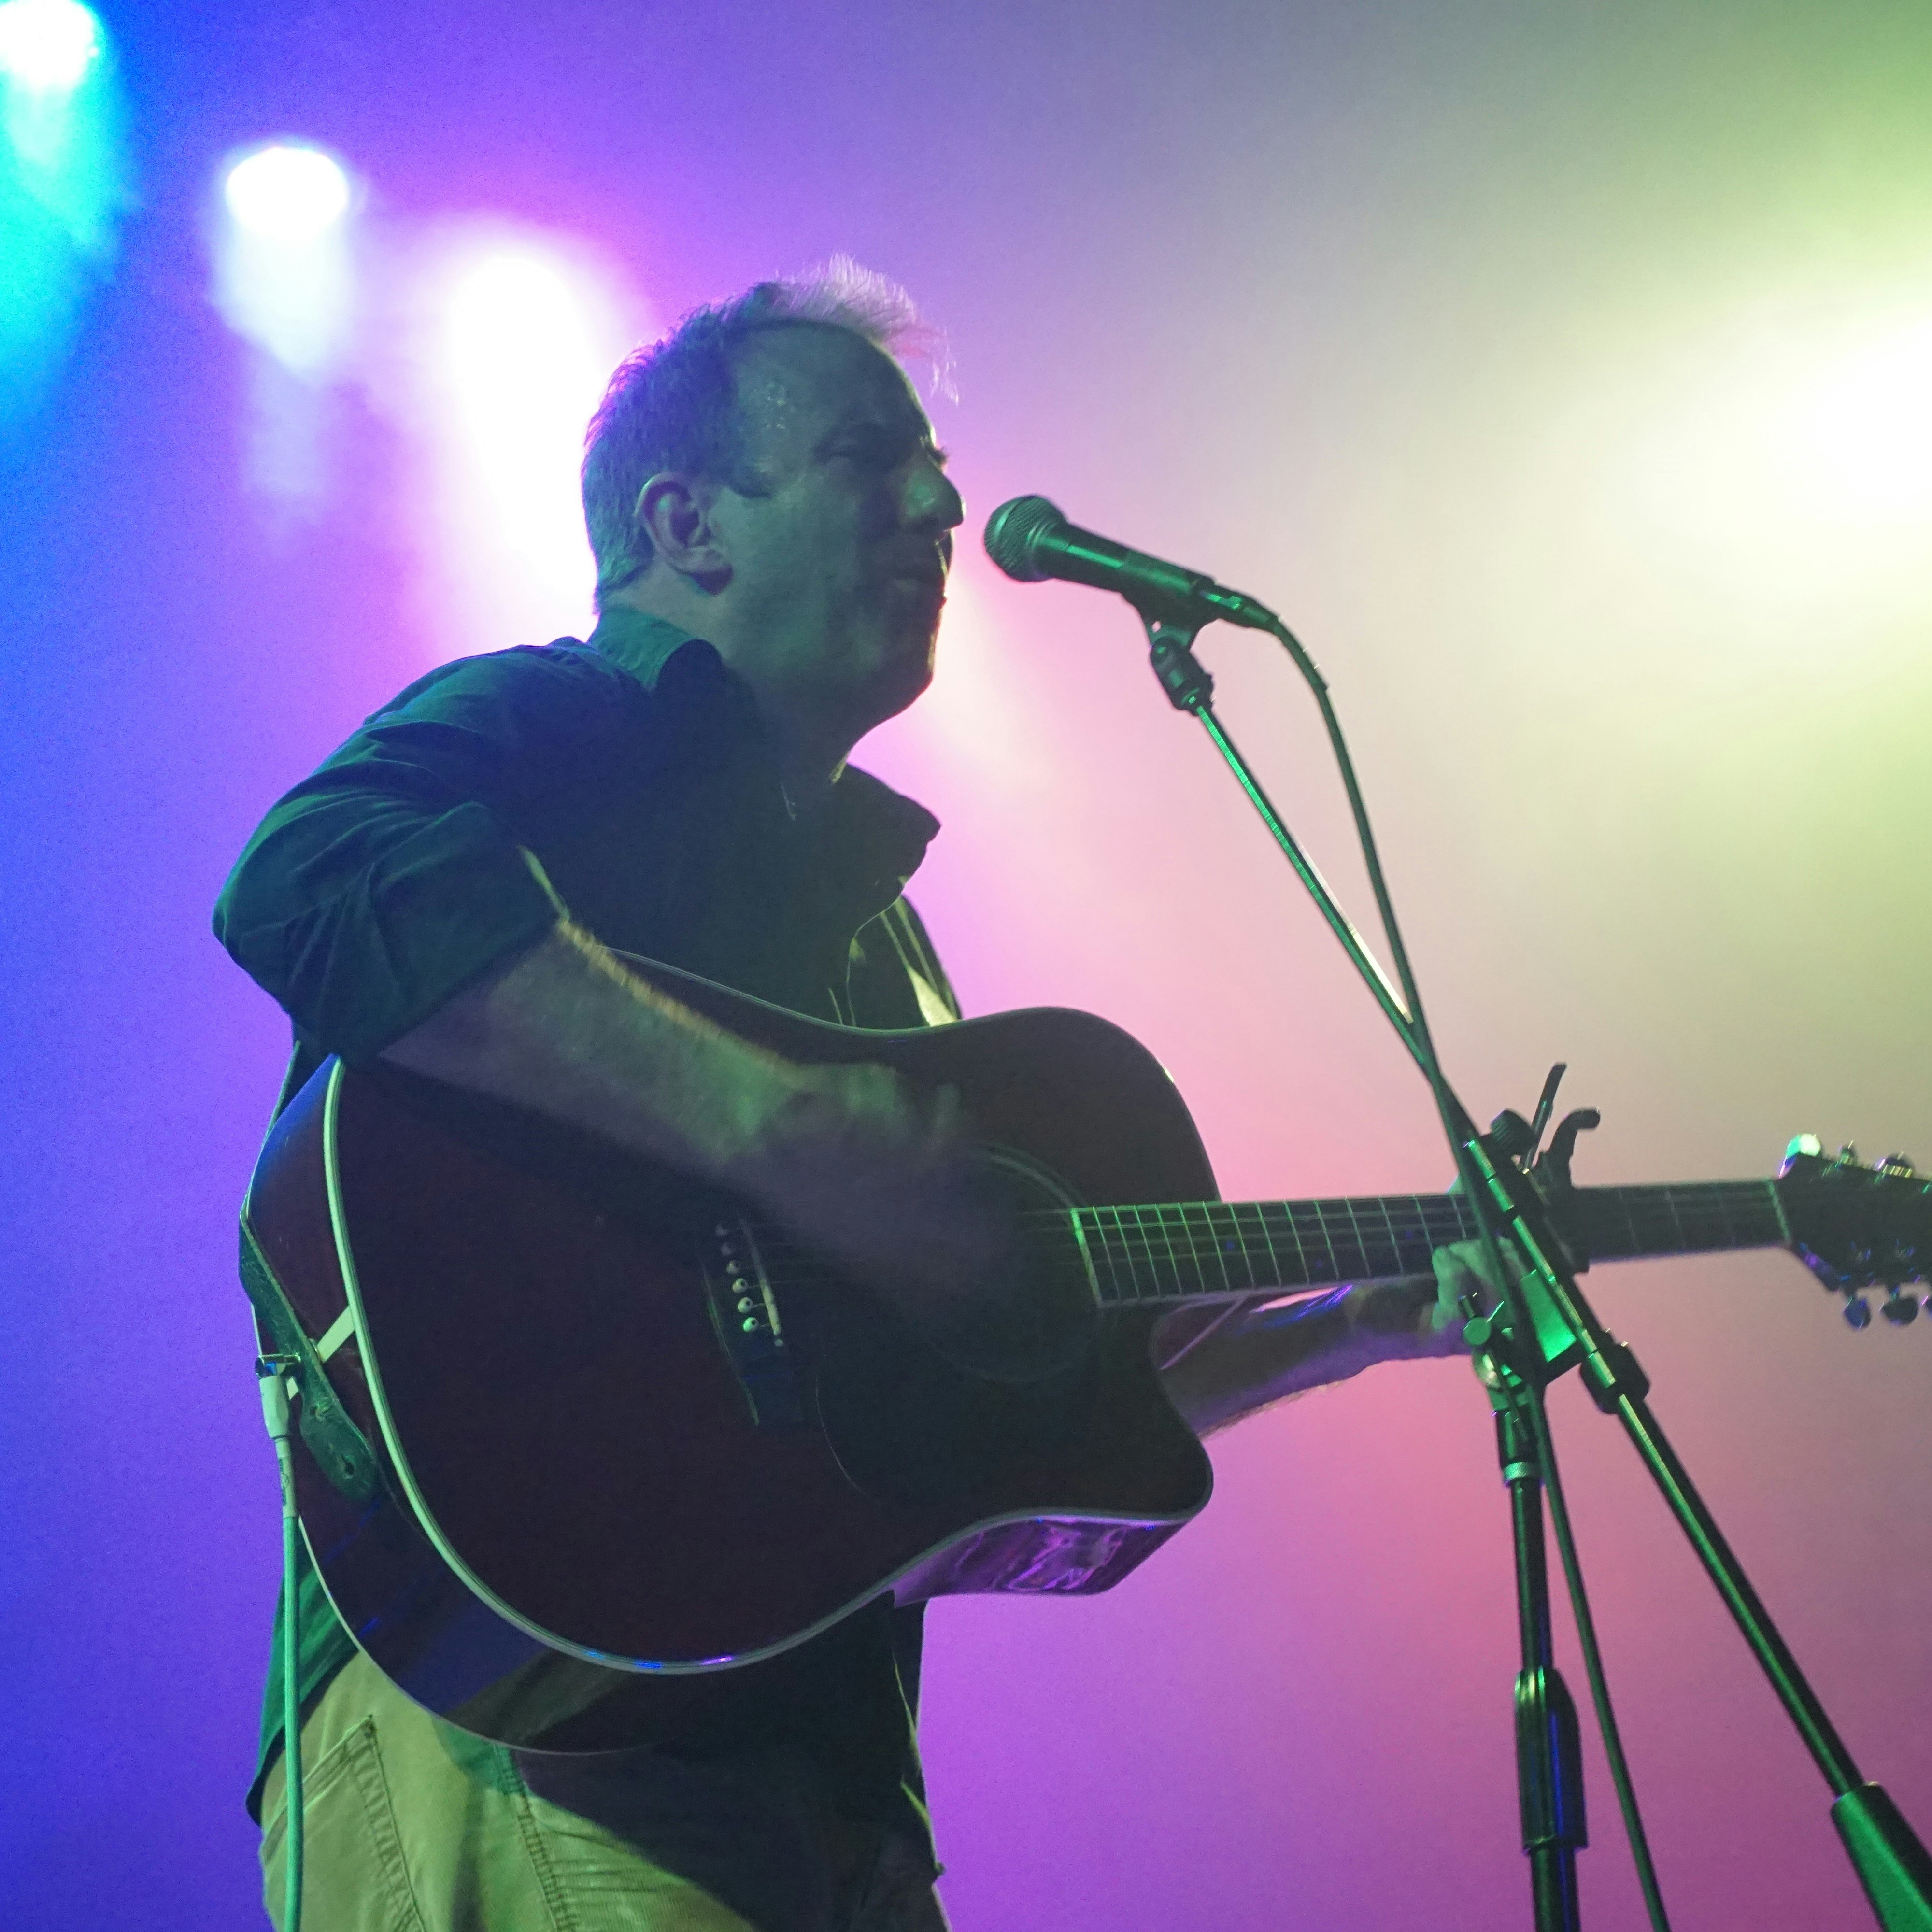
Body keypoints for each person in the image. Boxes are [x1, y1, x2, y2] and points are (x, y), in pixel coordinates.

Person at [215, 260, 1487, 1932]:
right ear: (689, 524)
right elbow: (302, 876)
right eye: (866, 462)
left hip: (811, 1763)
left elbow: (1027, 1412)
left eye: (934, 469)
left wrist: (1354, 1319)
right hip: (529, 1723)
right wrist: (779, 1137)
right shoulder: (551, 720)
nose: (942, 501)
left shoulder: (885, 945)